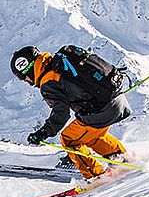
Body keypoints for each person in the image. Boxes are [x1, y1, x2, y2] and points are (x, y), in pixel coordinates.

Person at [10, 45, 132, 180]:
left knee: (69, 139)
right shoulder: (60, 64)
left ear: (29, 70)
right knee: (91, 136)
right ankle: (122, 159)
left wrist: (44, 132)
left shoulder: (48, 81)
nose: (27, 82)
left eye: (24, 77)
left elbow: (61, 113)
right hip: (116, 99)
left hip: (101, 110)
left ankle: (94, 176)